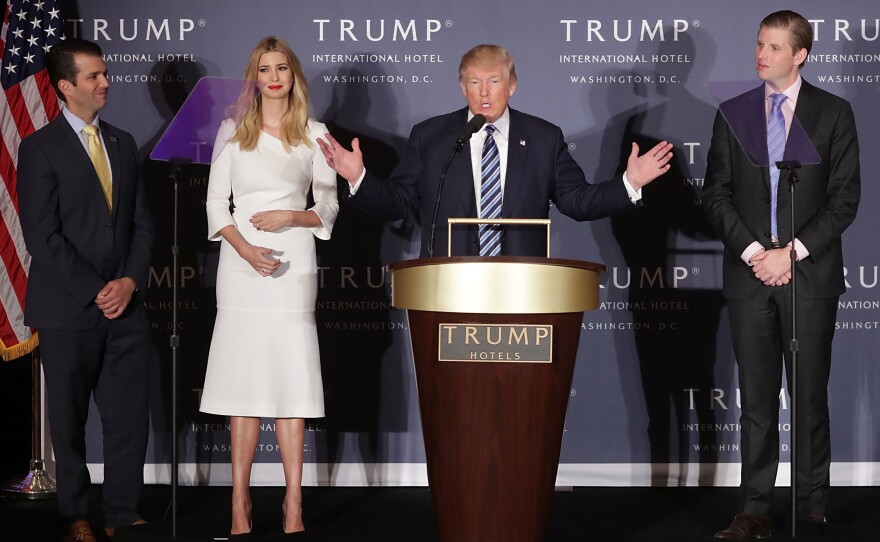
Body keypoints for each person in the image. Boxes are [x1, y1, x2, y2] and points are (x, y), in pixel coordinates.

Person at [702, 10, 860, 540]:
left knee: (810, 396)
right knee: (757, 399)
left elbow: (844, 200)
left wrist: (790, 252)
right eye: (758, 43)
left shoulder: (833, 113)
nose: (760, 54)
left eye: (773, 46)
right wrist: (754, 252)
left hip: (808, 274)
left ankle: (812, 504)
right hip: (750, 273)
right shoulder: (734, 113)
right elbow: (716, 193)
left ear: (800, 55)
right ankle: (754, 509)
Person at [317, 44, 673, 257]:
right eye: (474, 82)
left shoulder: (543, 137)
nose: (483, 93)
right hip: (448, 281)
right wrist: (358, 177)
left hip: (523, 284)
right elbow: (398, 203)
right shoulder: (431, 136)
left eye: (494, 81)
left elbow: (577, 201)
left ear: (512, 85)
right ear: (462, 86)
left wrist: (629, 183)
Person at [199, 36, 339, 537]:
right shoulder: (233, 131)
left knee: (291, 385)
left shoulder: (315, 134)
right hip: (240, 268)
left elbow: (327, 207)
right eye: (265, 68)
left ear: (293, 75)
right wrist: (244, 248)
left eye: (281, 67)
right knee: (244, 386)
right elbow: (217, 205)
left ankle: (293, 505)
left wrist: (290, 215)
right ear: (254, 77)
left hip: (293, 263)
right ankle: (239, 505)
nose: (274, 76)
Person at [17, 39, 154, 542]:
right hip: (69, 307)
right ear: (65, 87)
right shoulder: (38, 148)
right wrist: (98, 289)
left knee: (126, 418)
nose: (106, 83)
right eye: (94, 76)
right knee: (69, 422)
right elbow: (41, 235)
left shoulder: (122, 141)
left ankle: (121, 510)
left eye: (105, 73)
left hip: (127, 306)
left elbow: (142, 225)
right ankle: (76, 513)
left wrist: (129, 281)